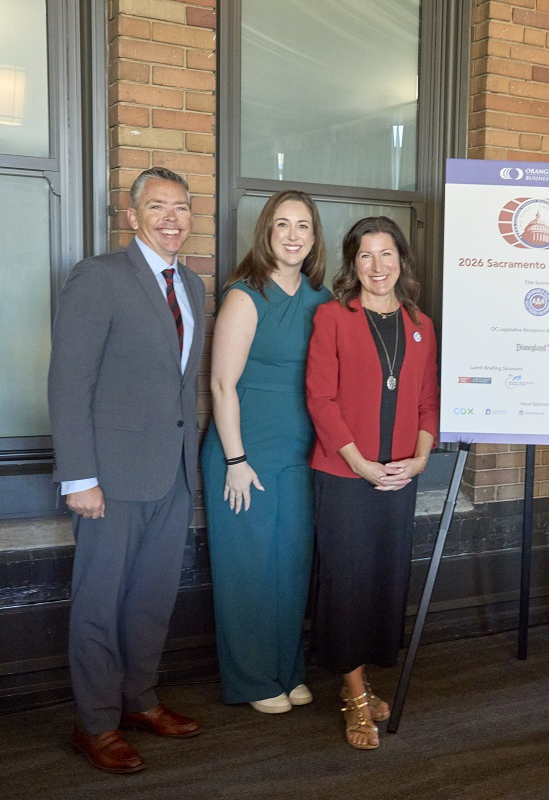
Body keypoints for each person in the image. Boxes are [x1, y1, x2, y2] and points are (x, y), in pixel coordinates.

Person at [49, 167, 204, 773]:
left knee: (151, 600)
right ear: (132, 215)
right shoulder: (99, 276)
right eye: (157, 206)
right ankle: (95, 723)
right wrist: (79, 477)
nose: (171, 218)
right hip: (109, 480)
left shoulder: (192, 285)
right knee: (99, 602)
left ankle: (138, 700)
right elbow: (70, 381)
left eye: (181, 207)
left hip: (172, 474)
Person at [305, 216, 438, 751]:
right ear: (352, 262)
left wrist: (420, 460)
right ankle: (355, 696)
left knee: (383, 580)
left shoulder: (421, 325)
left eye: (386, 254)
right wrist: (360, 463)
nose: (377, 266)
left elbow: (427, 400)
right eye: (365, 255)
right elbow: (320, 399)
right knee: (346, 583)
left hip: (399, 475)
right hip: (345, 473)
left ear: (401, 260)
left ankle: (358, 677)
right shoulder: (332, 317)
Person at [200, 191, 331, 715]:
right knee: (249, 569)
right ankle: (253, 678)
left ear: (314, 237)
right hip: (245, 454)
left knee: (292, 566)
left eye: (303, 226)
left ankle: (287, 669)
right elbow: (221, 384)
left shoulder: (321, 299)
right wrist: (235, 461)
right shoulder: (245, 295)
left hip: (299, 453)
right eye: (282, 224)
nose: (293, 235)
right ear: (266, 233)